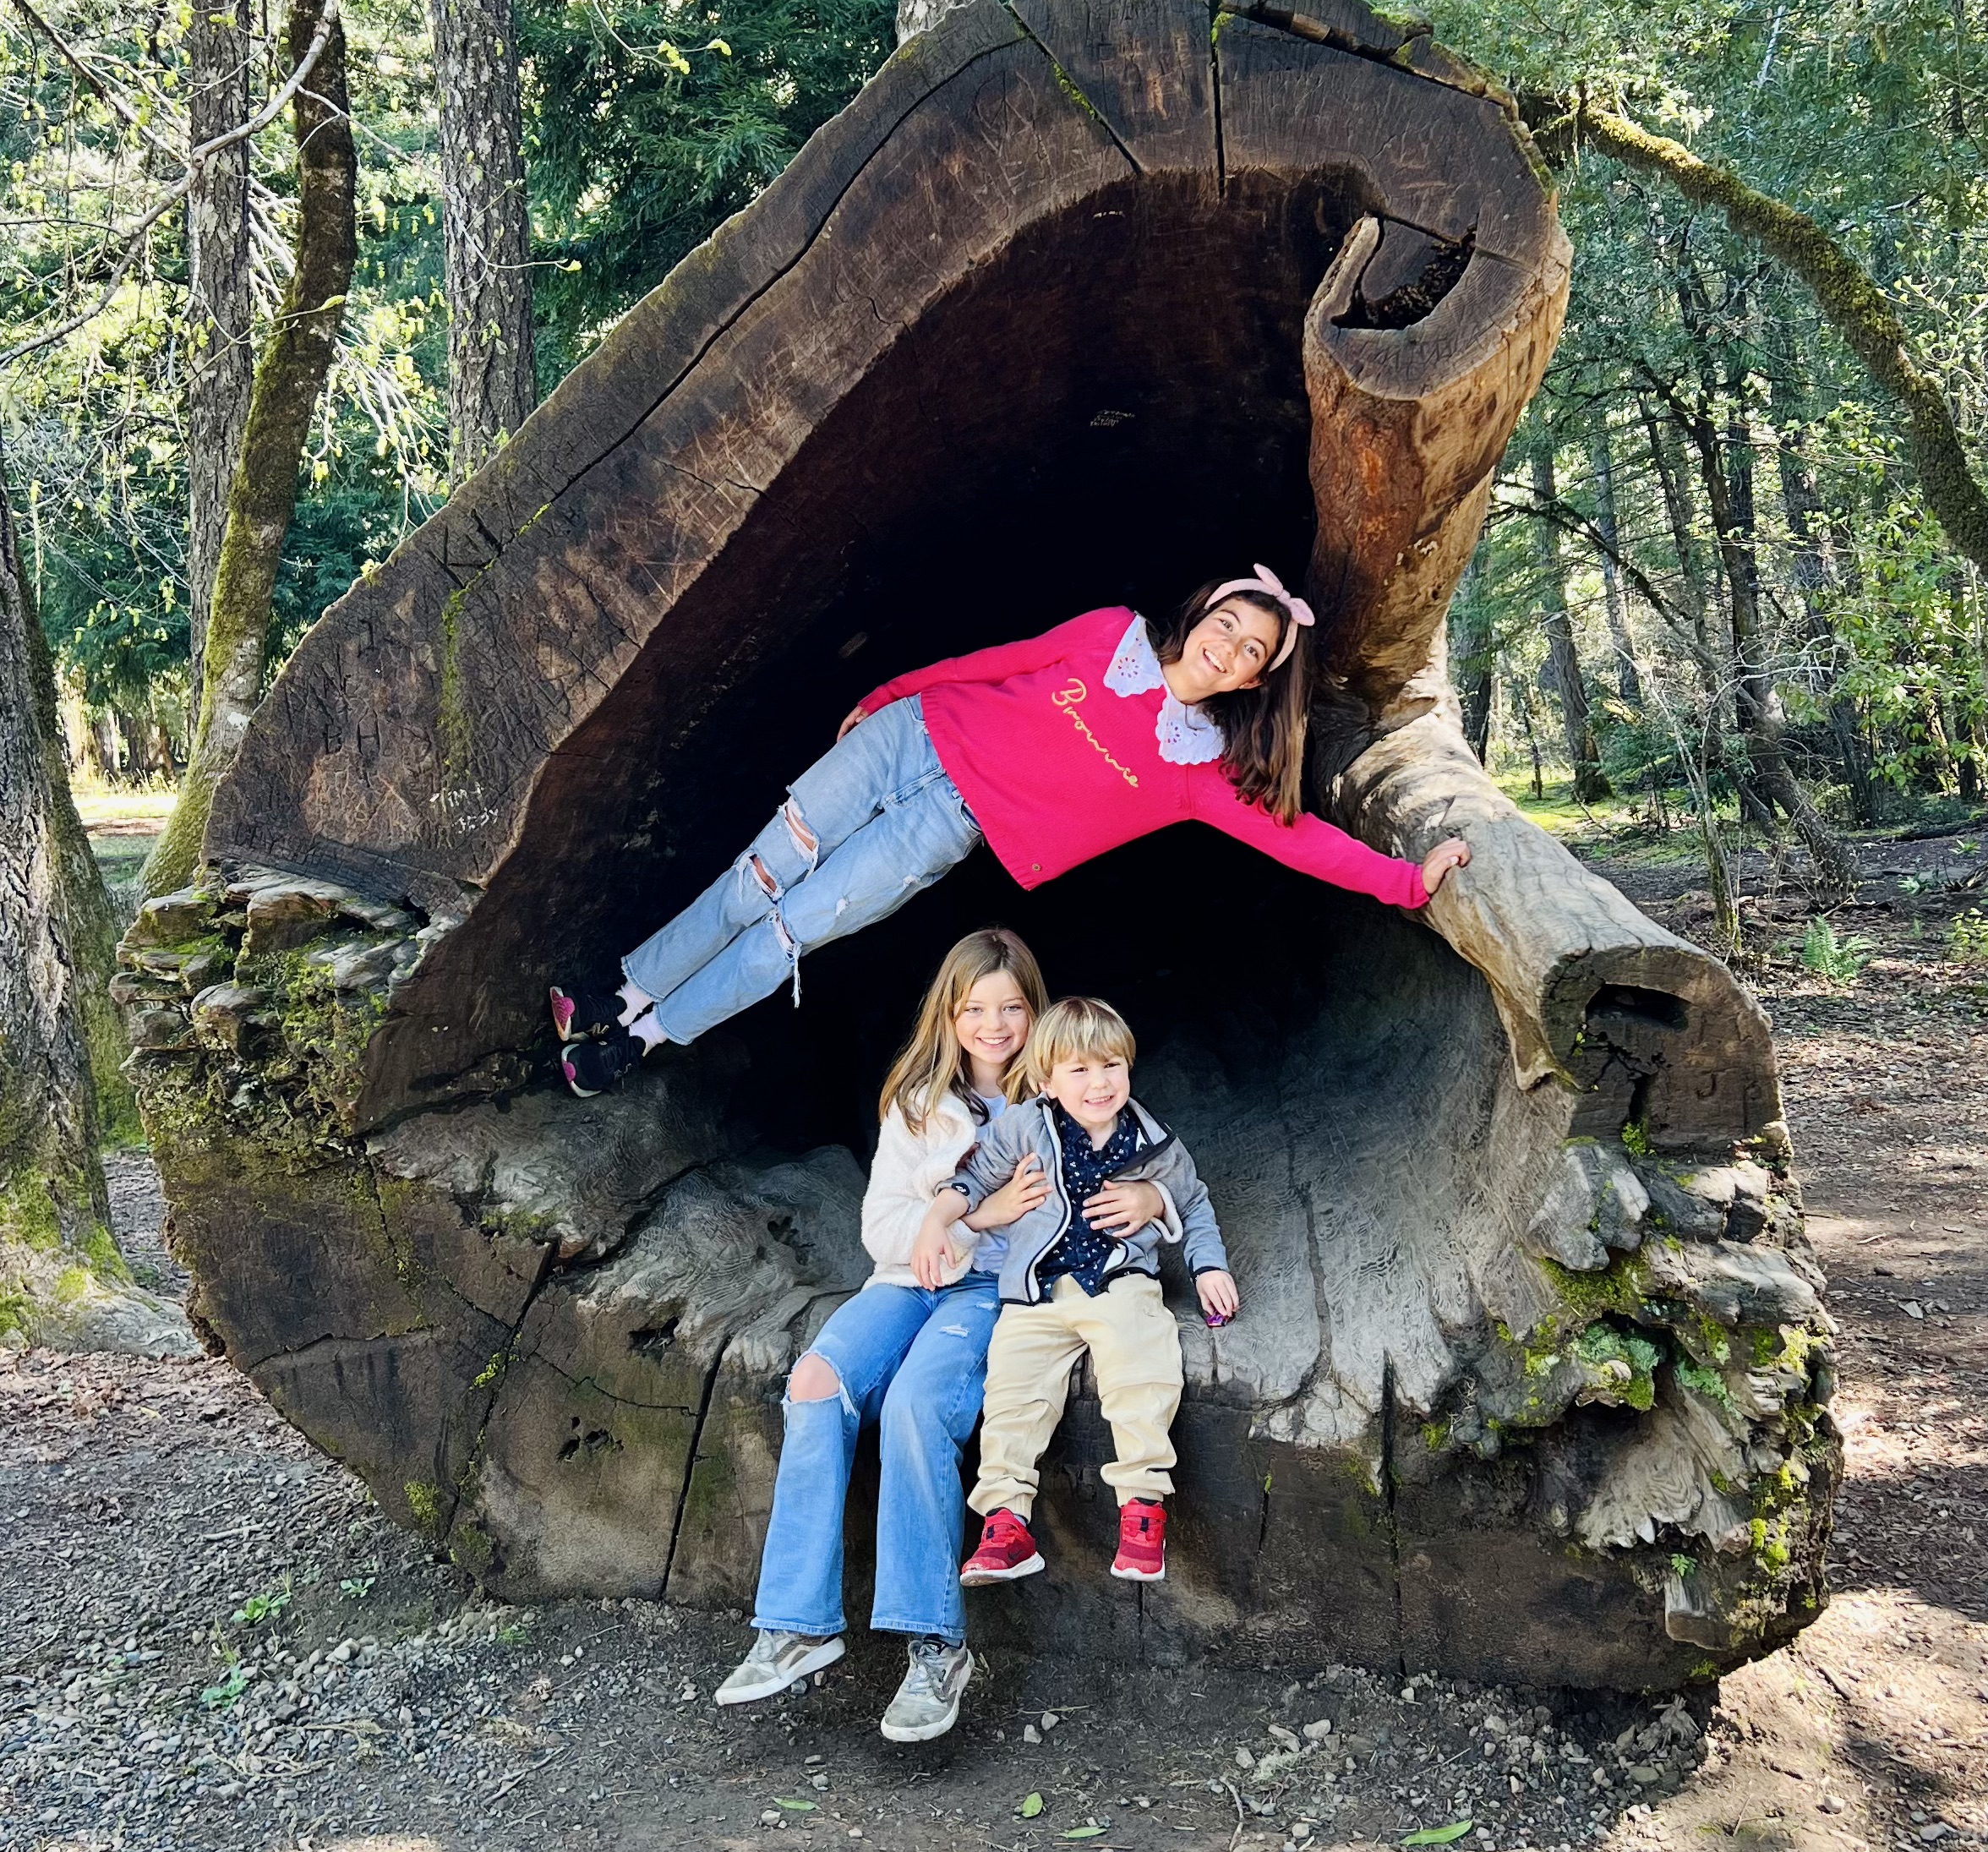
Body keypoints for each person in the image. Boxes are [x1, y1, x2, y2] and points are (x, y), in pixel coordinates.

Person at [549, 565, 1470, 1095]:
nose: (1227, 646)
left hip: (949, 824)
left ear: (1254, 679)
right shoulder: (1109, 633)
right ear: (1201, 615)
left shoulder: (1202, 772)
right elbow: (995, 664)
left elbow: (1297, 836)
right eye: (1226, 623)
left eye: (1251, 651)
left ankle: (644, 1038)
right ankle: (617, 992)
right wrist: (887, 694)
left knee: (799, 927)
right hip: (906, 742)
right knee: (760, 874)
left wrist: (1405, 879)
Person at [707, 931, 1168, 1744]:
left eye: (1013, 1008)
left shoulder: (1064, 1100)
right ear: (949, 1015)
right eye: (975, 1009)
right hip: (905, 1281)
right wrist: (955, 1218)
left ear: (1036, 1010)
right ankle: (798, 1625)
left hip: (993, 1290)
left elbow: (1134, 1188)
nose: (994, 1026)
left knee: (921, 1402)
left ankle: (935, 1646)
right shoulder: (917, 1101)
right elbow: (881, 1226)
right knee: (816, 1381)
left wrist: (1152, 1209)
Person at [922, 996, 1232, 1589]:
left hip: (1121, 1281)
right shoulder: (1024, 1127)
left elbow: (1193, 1200)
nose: (1099, 1083)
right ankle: (1006, 1521)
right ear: (1045, 1079)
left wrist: (1207, 1265)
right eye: (1079, 1070)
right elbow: (974, 1176)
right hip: (1037, 1290)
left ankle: (1142, 1507)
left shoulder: (1151, 1138)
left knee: (1142, 1368)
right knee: (1012, 1389)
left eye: (1111, 1066)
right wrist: (938, 1218)